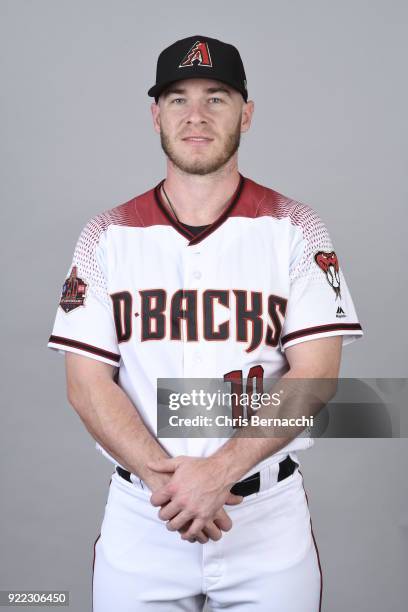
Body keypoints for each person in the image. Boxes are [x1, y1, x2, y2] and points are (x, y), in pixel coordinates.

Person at [48, 35, 363, 611]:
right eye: (177, 98)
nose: (195, 115)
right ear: (155, 115)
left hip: (265, 524)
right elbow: (85, 384)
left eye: (216, 97)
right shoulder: (105, 235)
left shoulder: (297, 227)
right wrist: (171, 484)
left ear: (246, 112)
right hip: (144, 522)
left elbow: (316, 377)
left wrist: (220, 470)